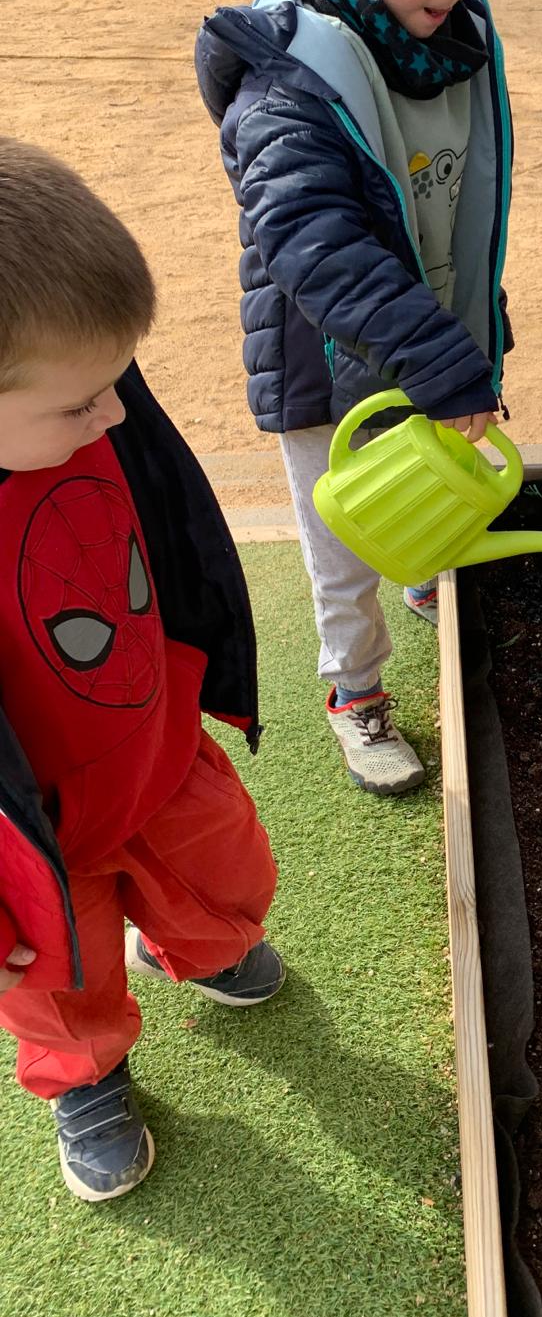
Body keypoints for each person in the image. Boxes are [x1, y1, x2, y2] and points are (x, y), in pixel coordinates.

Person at [196, 0, 516, 797]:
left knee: (426, 484)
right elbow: (311, 243)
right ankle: (355, 689)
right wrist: (442, 356)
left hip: (425, 344)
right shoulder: (287, 73)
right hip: (322, 364)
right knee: (340, 538)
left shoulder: (452, 39)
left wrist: (473, 326)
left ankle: (425, 577)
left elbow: (460, 202)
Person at [0, 137, 282, 1202]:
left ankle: (197, 944)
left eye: (118, 382)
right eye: (81, 405)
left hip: (157, 745)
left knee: (228, 873)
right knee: (56, 981)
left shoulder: (85, 398)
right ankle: (87, 1075)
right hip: (39, 834)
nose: (113, 416)